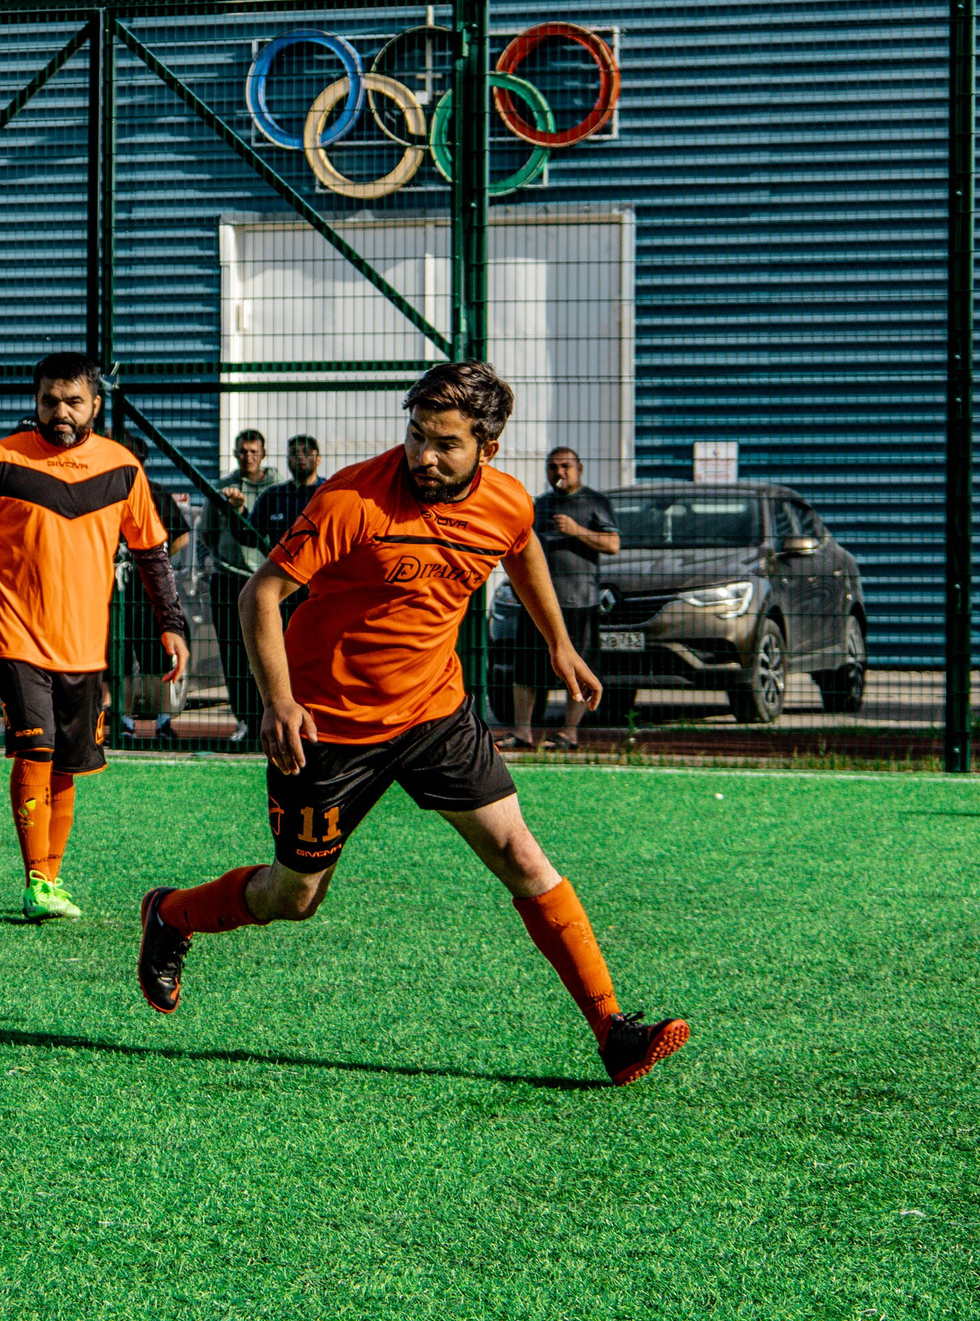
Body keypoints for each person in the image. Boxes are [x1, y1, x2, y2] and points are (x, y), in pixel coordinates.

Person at [134, 362, 689, 1087]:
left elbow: (520, 549)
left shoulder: (507, 502)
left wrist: (559, 642)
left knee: (522, 855)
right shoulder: (353, 498)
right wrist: (278, 701)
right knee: (293, 897)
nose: (423, 455)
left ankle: (612, 1030)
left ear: (487, 449)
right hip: (327, 726)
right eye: (416, 434)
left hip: (435, 714)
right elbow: (261, 595)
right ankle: (171, 915)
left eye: (445, 443)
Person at [0, 354, 188, 922]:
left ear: (95, 405)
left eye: (74, 401)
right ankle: (34, 882)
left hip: (84, 645)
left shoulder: (123, 468)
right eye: (50, 400)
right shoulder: (1, 461)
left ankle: (50, 880)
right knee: (38, 746)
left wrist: (170, 624)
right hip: (16, 636)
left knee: (69, 763)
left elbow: (152, 555)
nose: (61, 412)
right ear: (35, 402)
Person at [506, 446, 618, 750]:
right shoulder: (539, 505)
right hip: (538, 604)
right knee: (526, 669)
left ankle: (569, 732)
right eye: (553, 467)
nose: (559, 472)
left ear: (579, 469)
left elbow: (612, 544)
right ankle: (522, 733)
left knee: (578, 666)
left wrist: (576, 530)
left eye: (565, 466)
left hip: (579, 602)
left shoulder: (595, 502)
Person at [116, 432, 192, 742]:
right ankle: (123, 721)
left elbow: (182, 535)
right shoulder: (106, 494)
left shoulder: (156, 494)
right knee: (117, 659)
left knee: (156, 660)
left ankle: (162, 722)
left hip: (148, 594)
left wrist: (151, 561)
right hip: (115, 593)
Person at [204, 428, 275, 750]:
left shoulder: (276, 490)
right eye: (242, 451)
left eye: (253, 452)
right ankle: (244, 720)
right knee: (232, 654)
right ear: (235, 454)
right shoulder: (222, 488)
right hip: (228, 579)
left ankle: (269, 716)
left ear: (263, 454)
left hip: (265, 580)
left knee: (268, 652)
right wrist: (223, 557)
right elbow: (206, 531)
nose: (248, 457)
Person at [253, 434, 324, 552]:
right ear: (287, 459)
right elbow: (251, 537)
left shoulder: (327, 493)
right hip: (281, 567)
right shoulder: (273, 496)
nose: (300, 457)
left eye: (306, 452)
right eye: (294, 452)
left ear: (318, 459)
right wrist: (239, 510)